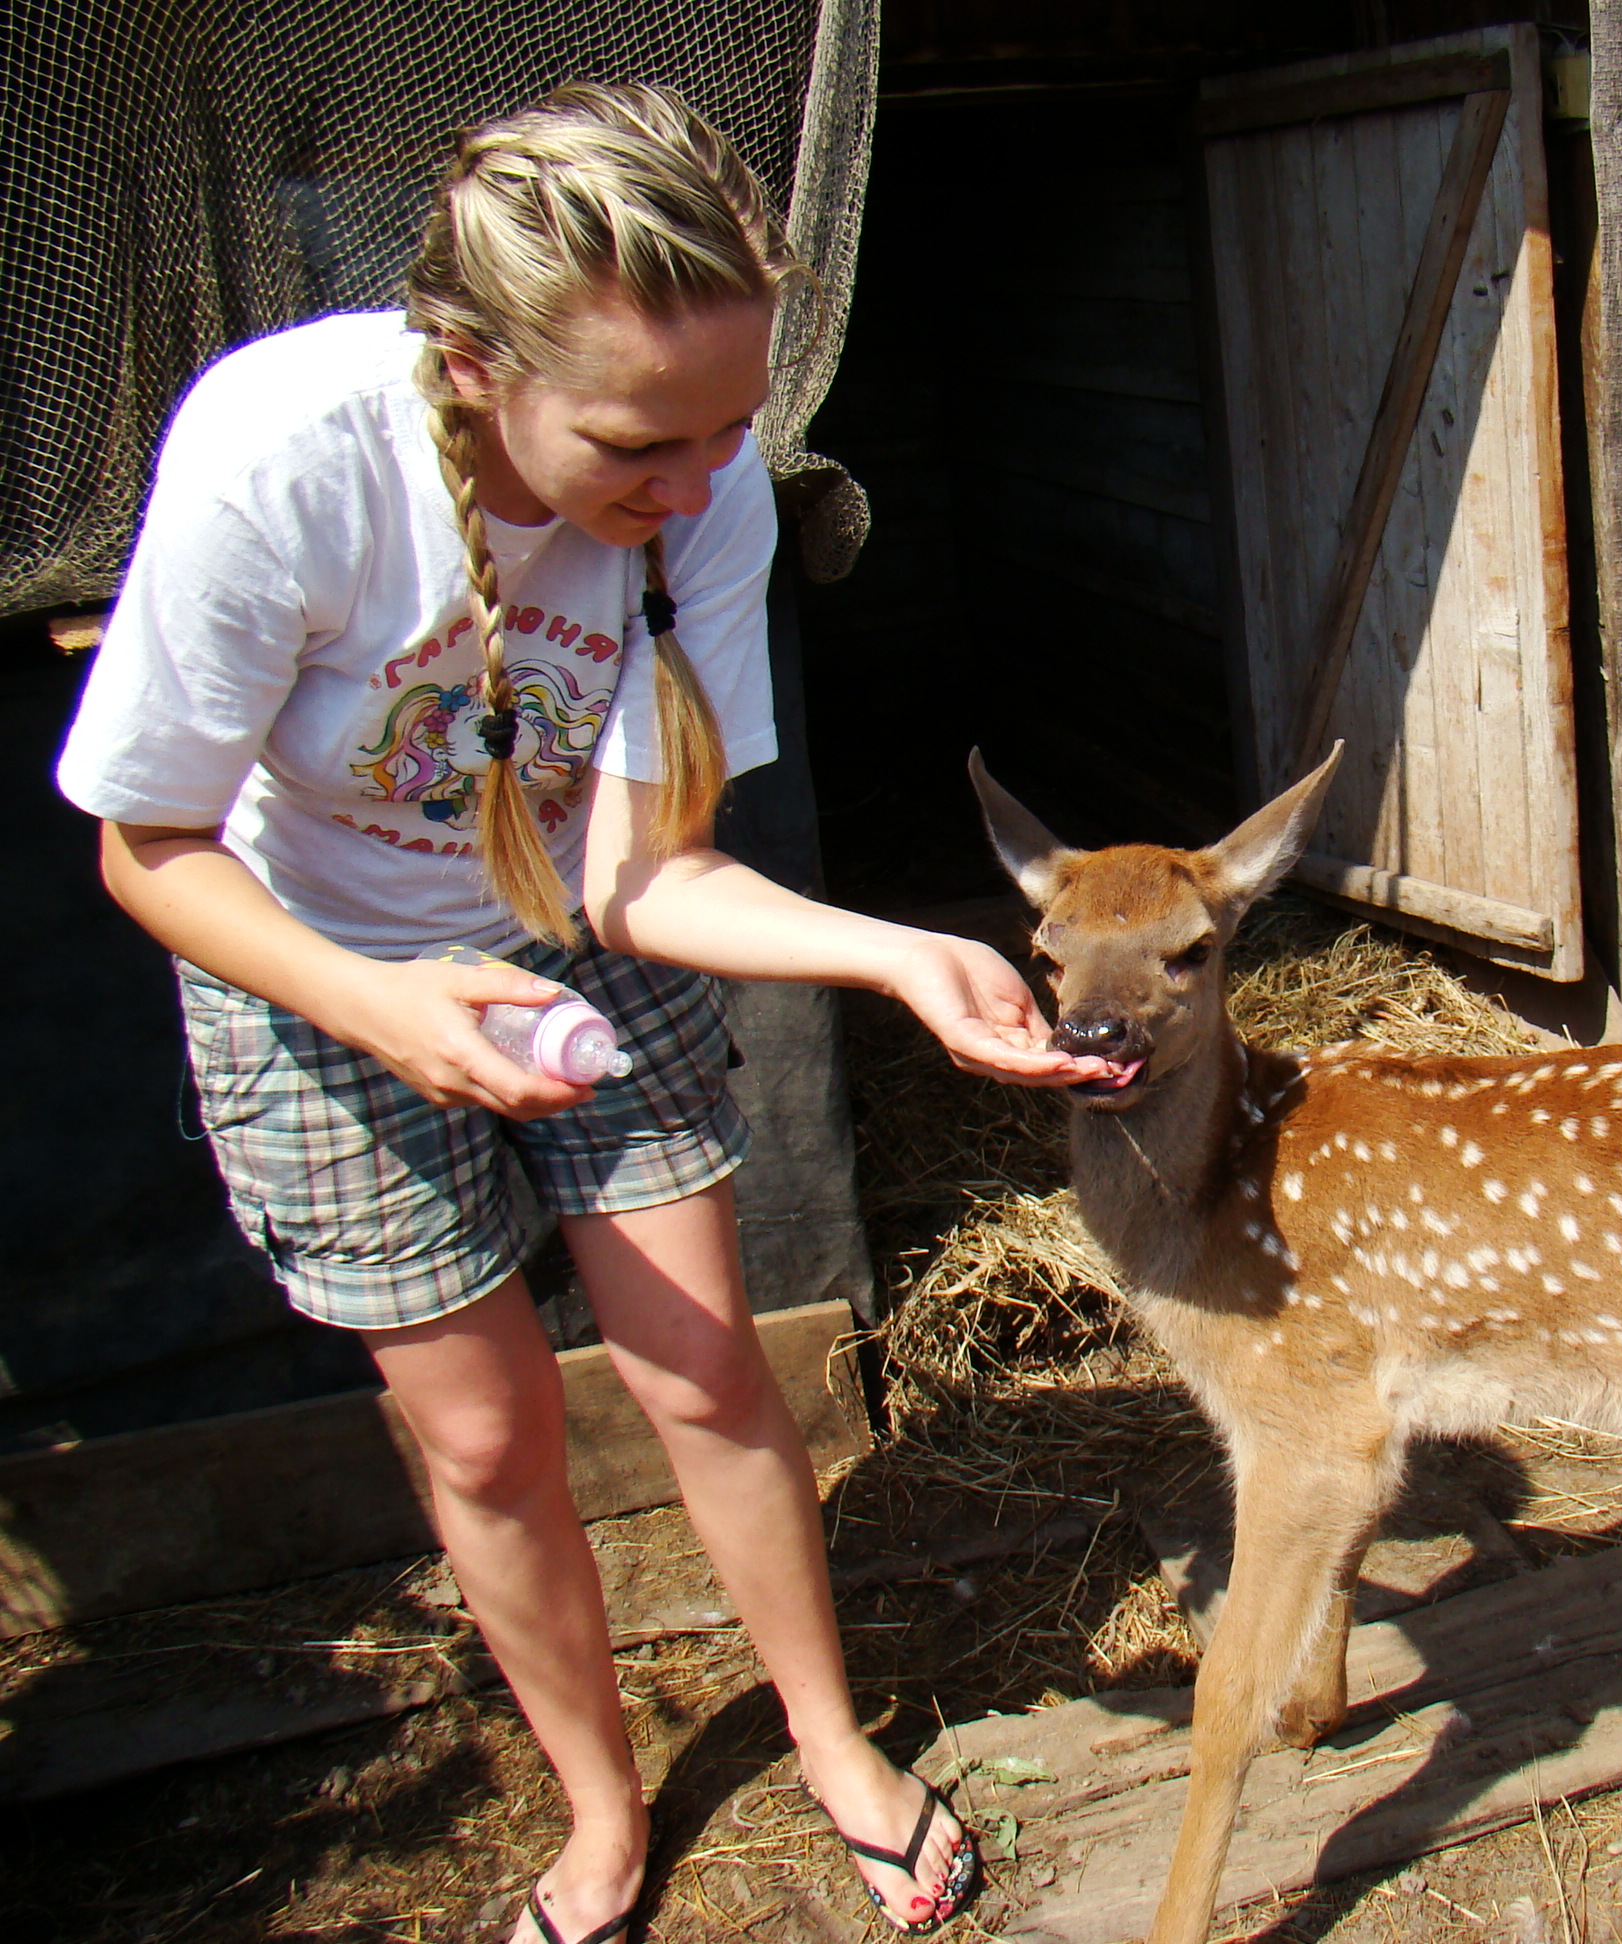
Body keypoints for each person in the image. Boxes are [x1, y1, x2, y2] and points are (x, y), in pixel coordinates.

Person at [54, 82, 1108, 1944]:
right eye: (641, 441)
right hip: (306, 969)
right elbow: (150, 852)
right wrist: (378, 1006)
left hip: (572, 937)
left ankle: (832, 1744)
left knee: (708, 1368)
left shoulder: (701, 487)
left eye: (729, 432)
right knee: (484, 1445)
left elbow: (648, 879)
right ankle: (602, 1817)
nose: (698, 489)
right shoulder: (283, 455)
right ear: (469, 364)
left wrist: (895, 953)